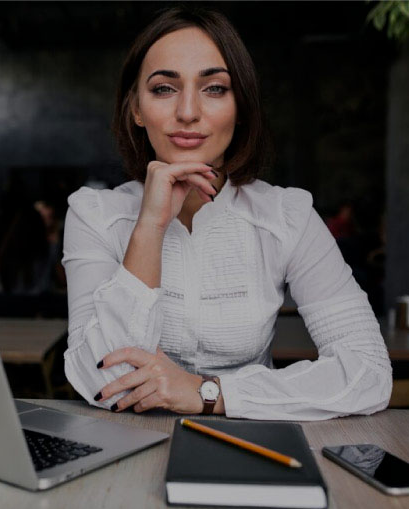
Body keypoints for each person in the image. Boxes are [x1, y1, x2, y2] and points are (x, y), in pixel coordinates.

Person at [61, 7, 391, 420]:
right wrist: (150, 226)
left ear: (241, 107)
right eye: (164, 88)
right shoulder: (94, 214)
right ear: (136, 109)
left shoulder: (288, 216)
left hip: (253, 444)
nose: (187, 112)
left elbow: (369, 373)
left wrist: (209, 393)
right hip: (125, 450)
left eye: (214, 88)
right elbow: (104, 384)